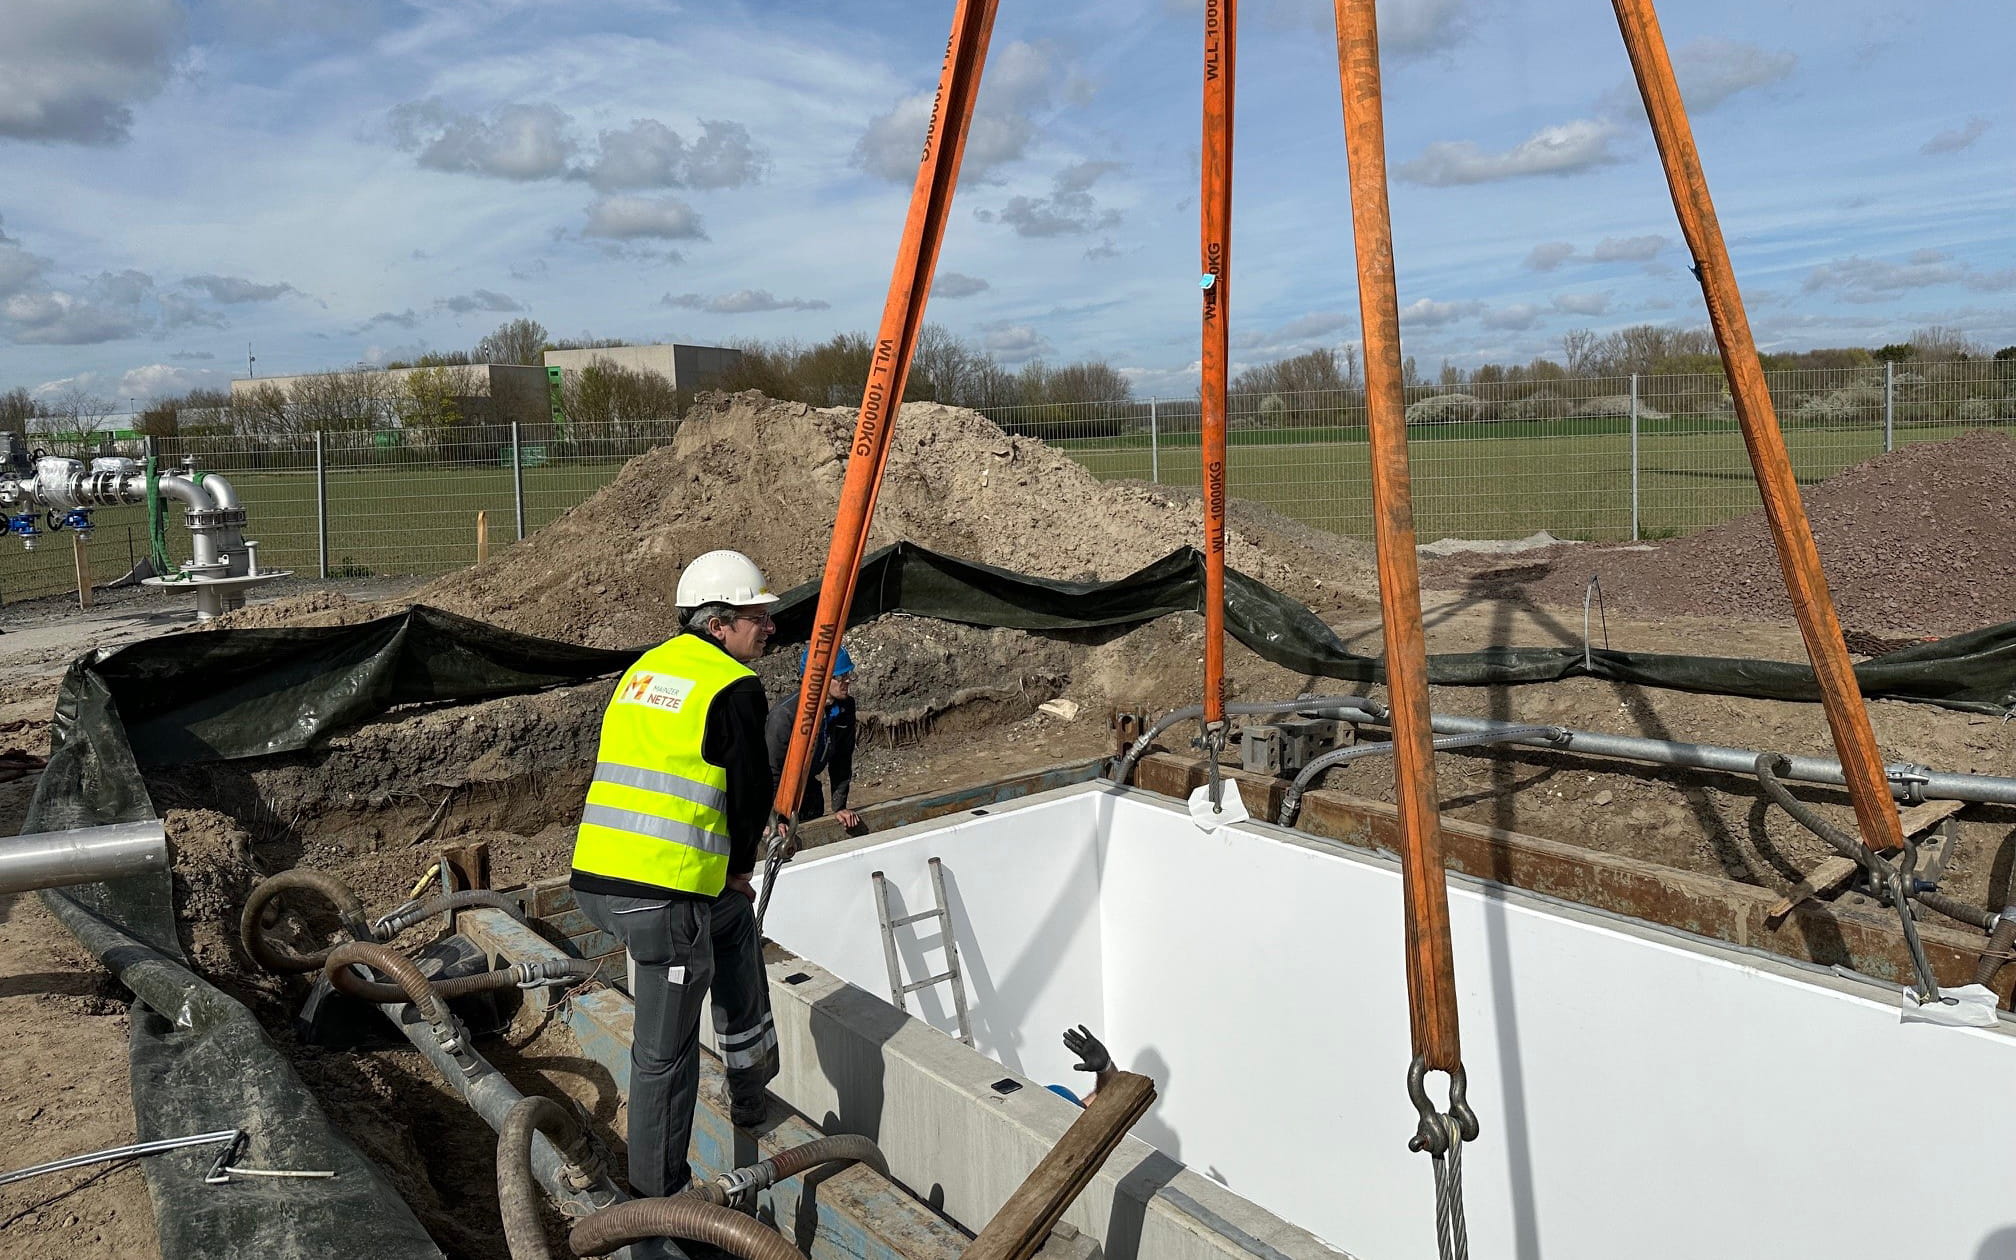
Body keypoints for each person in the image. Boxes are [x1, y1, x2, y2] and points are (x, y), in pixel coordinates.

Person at [568, 549, 781, 1200]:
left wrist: (727, 888)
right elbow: (748, 797)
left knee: (731, 919)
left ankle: (749, 1081)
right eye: (755, 615)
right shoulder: (732, 687)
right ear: (719, 624)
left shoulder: (644, 671)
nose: (769, 625)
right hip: (660, 901)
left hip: (598, 881)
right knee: (664, 1057)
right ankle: (658, 1202)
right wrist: (740, 869)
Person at [766, 644, 861, 832]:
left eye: (848, 674)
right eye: (841, 677)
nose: (848, 681)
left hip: (808, 789)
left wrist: (840, 807)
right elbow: (770, 770)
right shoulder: (785, 715)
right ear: (821, 681)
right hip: (779, 792)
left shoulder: (845, 707)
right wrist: (773, 819)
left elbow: (842, 758)